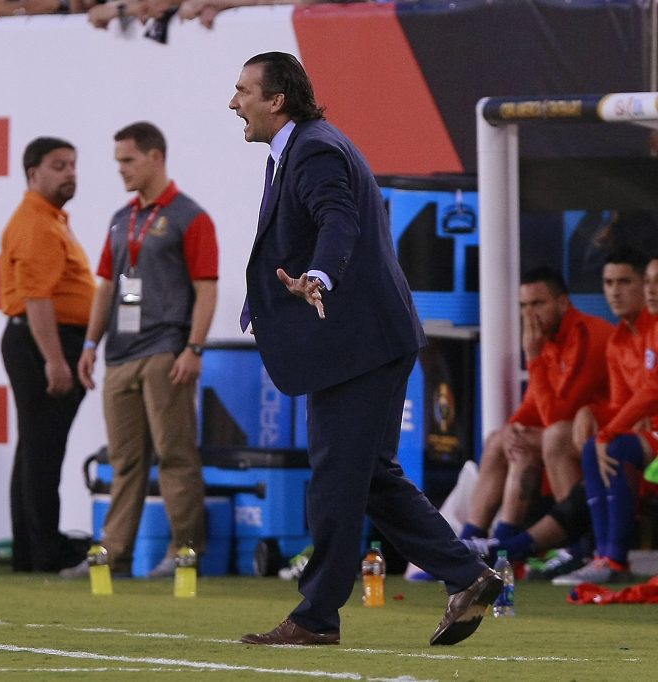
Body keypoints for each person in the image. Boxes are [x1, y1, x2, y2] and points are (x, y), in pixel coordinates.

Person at [231, 52, 497, 647]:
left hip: (357, 343)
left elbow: (339, 220)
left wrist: (320, 277)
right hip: (366, 338)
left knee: (334, 480)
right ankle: (467, 575)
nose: (234, 102)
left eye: (244, 90)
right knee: (369, 476)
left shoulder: (315, 149)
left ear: (277, 100)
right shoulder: (303, 148)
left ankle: (317, 616)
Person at [64, 121, 217, 579]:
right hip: (121, 354)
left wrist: (194, 348)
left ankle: (185, 551)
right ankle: (113, 552)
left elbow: (206, 289)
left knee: (175, 454)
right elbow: (107, 286)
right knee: (125, 460)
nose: (122, 171)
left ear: (156, 157)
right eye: (118, 162)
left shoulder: (192, 217)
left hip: (166, 350)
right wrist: (92, 343)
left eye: (128, 161)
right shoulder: (121, 219)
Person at [460, 268, 612, 560]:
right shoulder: (550, 340)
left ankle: (570, 548)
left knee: (553, 436)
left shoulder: (586, 335)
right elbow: (532, 406)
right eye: (524, 306)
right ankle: (468, 546)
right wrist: (514, 430)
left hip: (598, 435)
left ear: (563, 303)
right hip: (572, 436)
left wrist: (532, 357)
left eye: (538, 304)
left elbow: (557, 414)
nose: (529, 314)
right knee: (499, 439)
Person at [0, 137, 96, 573]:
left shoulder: (49, 220)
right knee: (43, 451)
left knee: (35, 449)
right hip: (46, 341)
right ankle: (42, 551)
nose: (70, 173)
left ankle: (32, 548)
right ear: (33, 173)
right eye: (59, 165)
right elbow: (37, 299)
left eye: (73, 164)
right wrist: (55, 360)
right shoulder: (37, 223)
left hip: (44, 340)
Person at [555, 248, 655, 585]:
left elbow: (652, 392)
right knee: (593, 446)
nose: (615, 291)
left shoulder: (654, 327)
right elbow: (623, 403)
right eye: (608, 282)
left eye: (624, 281)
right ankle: (602, 556)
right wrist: (593, 412)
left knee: (613, 446)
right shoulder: (618, 341)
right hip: (649, 436)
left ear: (644, 286)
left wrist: (609, 431)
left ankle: (614, 558)